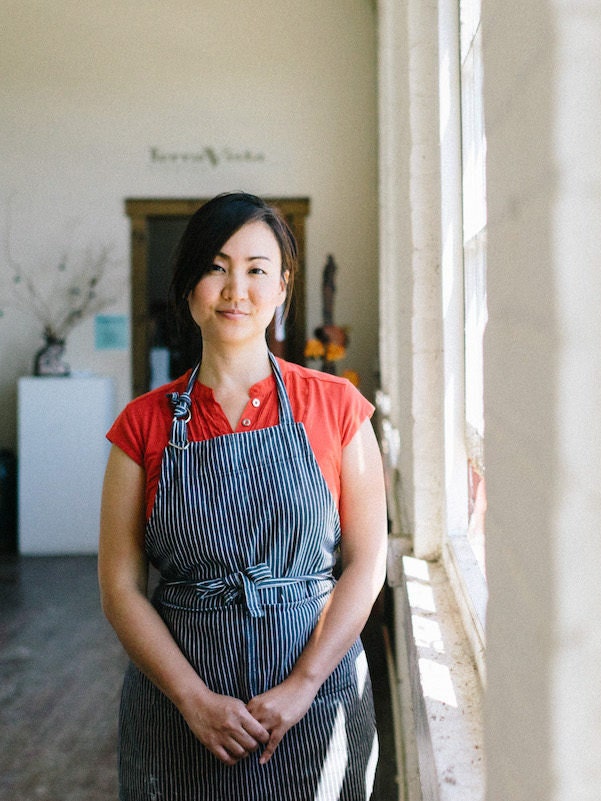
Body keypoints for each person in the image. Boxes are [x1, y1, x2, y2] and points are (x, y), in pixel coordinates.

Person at [99, 192, 387, 800]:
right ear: (188, 287)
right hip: (177, 713)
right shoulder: (141, 425)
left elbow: (366, 563)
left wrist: (304, 685)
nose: (237, 288)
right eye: (216, 267)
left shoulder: (337, 408)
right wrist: (193, 699)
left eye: (257, 270)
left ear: (282, 288)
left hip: (316, 699)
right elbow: (120, 587)